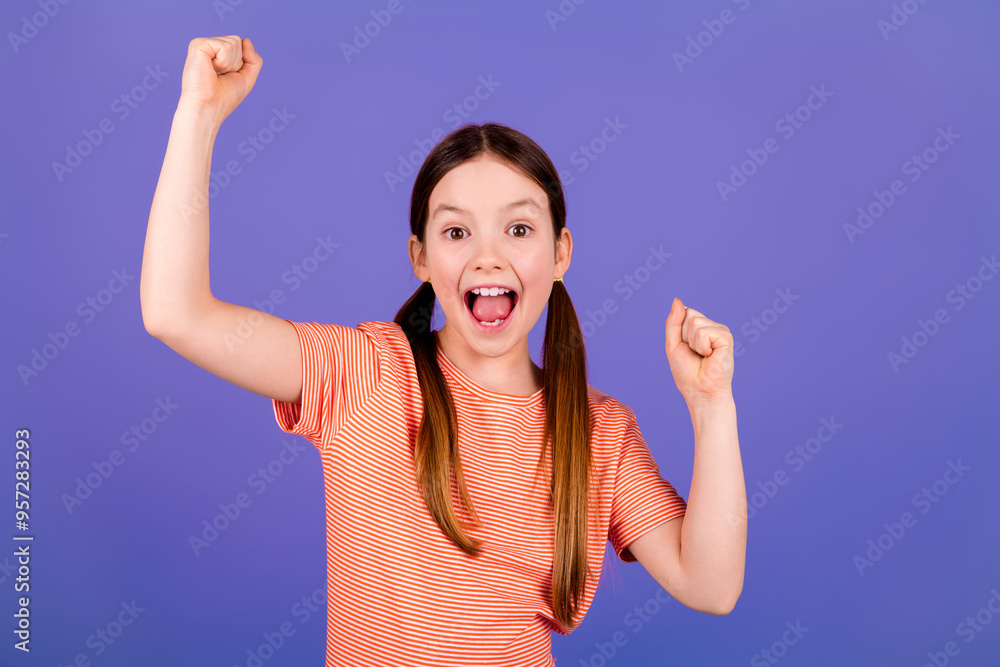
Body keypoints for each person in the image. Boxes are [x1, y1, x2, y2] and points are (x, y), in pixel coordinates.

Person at [141, 35, 747, 667]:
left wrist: (712, 407)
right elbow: (174, 313)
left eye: (518, 229)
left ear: (561, 252)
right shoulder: (361, 373)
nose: (488, 254)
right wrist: (198, 115)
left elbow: (711, 585)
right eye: (456, 231)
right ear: (421, 259)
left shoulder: (601, 433)